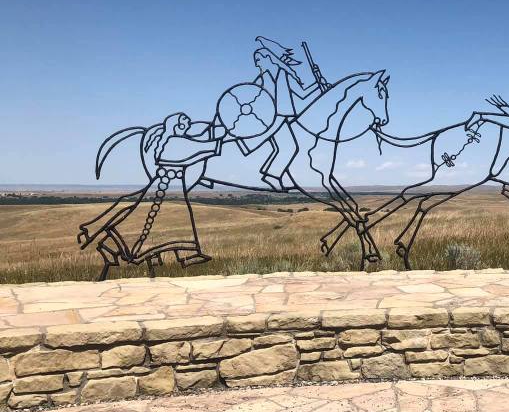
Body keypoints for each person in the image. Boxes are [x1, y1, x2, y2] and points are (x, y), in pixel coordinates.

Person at [78, 112, 222, 280]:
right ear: (178, 126)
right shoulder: (174, 142)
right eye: (186, 125)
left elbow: (198, 144)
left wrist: (215, 131)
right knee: (144, 226)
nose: (189, 128)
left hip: (165, 188)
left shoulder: (173, 141)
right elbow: (203, 147)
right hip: (163, 190)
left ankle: (169, 258)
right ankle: (115, 252)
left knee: (155, 224)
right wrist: (222, 135)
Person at [239, 36, 324, 191]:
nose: (256, 64)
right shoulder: (262, 79)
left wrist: (318, 84)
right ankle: (269, 172)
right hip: (272, 118)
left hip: (282, 116)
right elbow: (251, 97)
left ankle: (272, 175)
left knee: (290, 147)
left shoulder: (284, 75)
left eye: (258, 59)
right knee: (287, 147)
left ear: (267, 57)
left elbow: (303, 94)